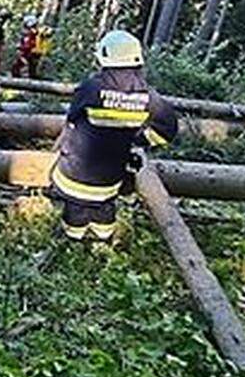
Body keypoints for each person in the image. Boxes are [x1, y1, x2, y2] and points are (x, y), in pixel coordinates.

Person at [48, 30, 178, 242]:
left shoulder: (90, 88)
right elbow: (168, 130)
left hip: (73, 177)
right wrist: (138, 140)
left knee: (75, 213)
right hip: (110, 182)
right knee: (104, 214)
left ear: (104, 59)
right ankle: (102, 245)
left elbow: (72, 121)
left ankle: (71, 243)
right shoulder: (147, 96)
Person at [11, 14, 40, 78]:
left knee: (31, 67)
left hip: (31, 54)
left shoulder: (34, 34)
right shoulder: (25, 34)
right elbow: (21, 44)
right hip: (24, 53)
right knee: (19, 66)